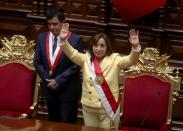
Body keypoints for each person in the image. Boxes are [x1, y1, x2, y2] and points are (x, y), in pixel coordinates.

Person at [59, 23, 141, 129]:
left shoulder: (115, 59)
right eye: (95, 45)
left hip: (108, 108)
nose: (98, 49)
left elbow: (131, 60)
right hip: (89, 107)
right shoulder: (85, 59)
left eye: (102, 45)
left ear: (107, 47)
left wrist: (135, 47)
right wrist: (63, 41)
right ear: (92, 47)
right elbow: (72, 54)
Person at [34, 8, 83, 123]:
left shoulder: (75, 40)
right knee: (52, 123)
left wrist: (58, 81)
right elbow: (37, 61)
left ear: (63, 22)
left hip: (68, 91)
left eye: (55, 24)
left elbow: (76, 65)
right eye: (49, 24)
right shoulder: (42, 37)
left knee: (67, 126)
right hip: (50, 90)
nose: (51, 27)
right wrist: (48, 81)